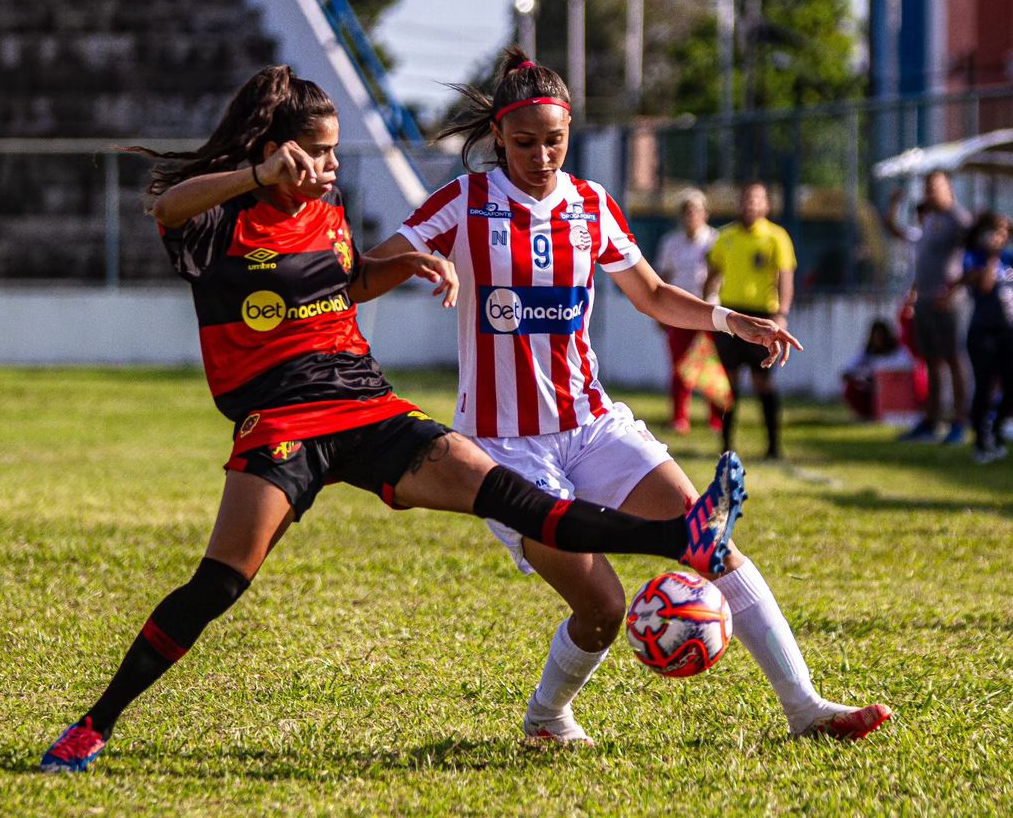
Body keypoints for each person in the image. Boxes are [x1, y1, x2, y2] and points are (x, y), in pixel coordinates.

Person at [38, 65, 746, 773]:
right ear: (279, 151)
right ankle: (94, 724)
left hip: (364, 402)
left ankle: (676, 534)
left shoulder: (327, 207)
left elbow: (349, 283)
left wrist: (411, 262)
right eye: (318, 153)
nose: (331, 166)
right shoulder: (224, 217)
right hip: (282, 419)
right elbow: (168, 208)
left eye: (336, 152)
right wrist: (255, 174)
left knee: (512, 496)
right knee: (219, 584)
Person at [369, 48, 890, 745]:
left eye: (554, 140)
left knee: (711, 542)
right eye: (524, 142)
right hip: (503, 449)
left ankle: (806, 708)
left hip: (594, 427)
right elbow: (368, 270)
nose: (542, 155)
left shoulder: (590, 205)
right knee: (602, 607)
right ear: (498, 136)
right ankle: (549, 716)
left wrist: (730, 318)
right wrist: (413, 259)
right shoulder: (463, 202)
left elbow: (649, 293)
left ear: (570, 131)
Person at [704, 182, 796, 460]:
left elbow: (785, 278)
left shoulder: (776, 237)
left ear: (766, 205)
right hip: (731, 314)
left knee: (762, 381)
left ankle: (773, 446)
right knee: (728, 383)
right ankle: (726, 445)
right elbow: (713, 274)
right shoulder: (726, 237)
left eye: (757, 199)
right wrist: (704, 307)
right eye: (746, 199)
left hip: (762, 316)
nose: (751, 205)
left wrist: (782, 314)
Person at [885, 173, 972, 444]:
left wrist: (954, 291)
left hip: (947, 304)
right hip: (923, 302)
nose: (930, 193)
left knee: (954, 360)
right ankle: (931, 421)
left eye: (935, 188)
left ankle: (960, 422)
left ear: (949, 189)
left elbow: (976, 256)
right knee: (932, 362)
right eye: (927, 188)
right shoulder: (930, 220)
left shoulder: (959, 219)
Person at [653, 188, 725, 434]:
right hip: (680, 312)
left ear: (705, 213)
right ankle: (679, 418)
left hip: (709, 312)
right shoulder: (671, 243)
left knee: (711, 365)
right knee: (680, 365)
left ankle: (717, 419)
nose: (691, 216)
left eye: (695, 211)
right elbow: (663, 278)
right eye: (686, 212)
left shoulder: (716, 240)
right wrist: (659, 311)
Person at [962, 212, 1013, 463]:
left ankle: (996, 432)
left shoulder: (1009, 257)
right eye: (995, 231)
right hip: (984, 331)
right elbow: (985, 286)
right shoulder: (973, 258)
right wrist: (992, 255)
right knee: (984, 386)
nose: (1000, 237)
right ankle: (980, 441)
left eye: (1002, 232)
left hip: (1011, 330)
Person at [841, 319, 918, 420]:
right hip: (872, 391)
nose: (878, 339)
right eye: (875, 336)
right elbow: (849, 369)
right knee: (851, 389)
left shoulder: (898, 351)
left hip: (894, 392)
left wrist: (883, 377)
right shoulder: (868, 352)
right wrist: (859, 377)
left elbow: (907, 368)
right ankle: (867, 414)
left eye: (881, 336)